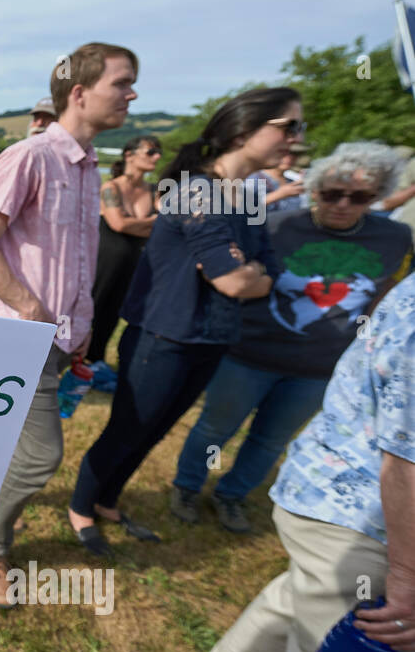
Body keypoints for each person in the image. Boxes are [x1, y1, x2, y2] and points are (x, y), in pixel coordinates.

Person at [183, 272, 415, 652]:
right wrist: (407, 576)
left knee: (308, 598)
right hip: (375, 522)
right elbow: (409, 462)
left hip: (332, 492)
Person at [67, 87, 299, 558]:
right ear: (244, 130)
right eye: (288, 126)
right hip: (164, 335)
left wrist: (243, 271)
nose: (296, 138)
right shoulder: (195, 190)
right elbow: (233, 281)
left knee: (159, 427)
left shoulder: (245, 196)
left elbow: (269, 271)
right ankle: (80, 508)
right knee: (129, 427)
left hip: (213, 336)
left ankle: (109, 499)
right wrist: (240, 273)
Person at [0, 42, 139, 605]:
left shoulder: (89, 170)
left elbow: (77, 257)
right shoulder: (29, 156)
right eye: (123, 83)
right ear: (81, 94)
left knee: (6, 444)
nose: (132, 95)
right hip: (21, 337)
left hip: (63, 339)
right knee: (41, 456)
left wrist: (80, 323)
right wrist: (32, 309)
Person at [172, 142, 413, 532]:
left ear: (378, 196)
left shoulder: (395, 237)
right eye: (332, 193)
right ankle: (187, 486)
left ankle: (232, 495)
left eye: (359, 197)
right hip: (249, 353)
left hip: (321, 367)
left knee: (271, 439)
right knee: (216, 427)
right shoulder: (276, 225)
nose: (343, 204)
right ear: (314, 189)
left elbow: (386, 292)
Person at [85, 135, 162, 381]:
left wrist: (136, 224)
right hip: (104, 261)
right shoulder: (111, 187)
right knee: (90, 309)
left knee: (113, 314)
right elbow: (117, 224)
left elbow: (164, 225)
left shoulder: (155, 190)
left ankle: (94, 360)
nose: (157, 157)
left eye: (158, 152)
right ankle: (68, 357)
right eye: (150, 152)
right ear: (130, 155)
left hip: (134, 264)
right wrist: (150, 222)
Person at [245, 150, 306, 216]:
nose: (289, 158)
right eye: (284, 154)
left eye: (295, 155)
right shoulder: (253, 178)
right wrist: (278, 194)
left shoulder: (292, 181)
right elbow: (244, 208)